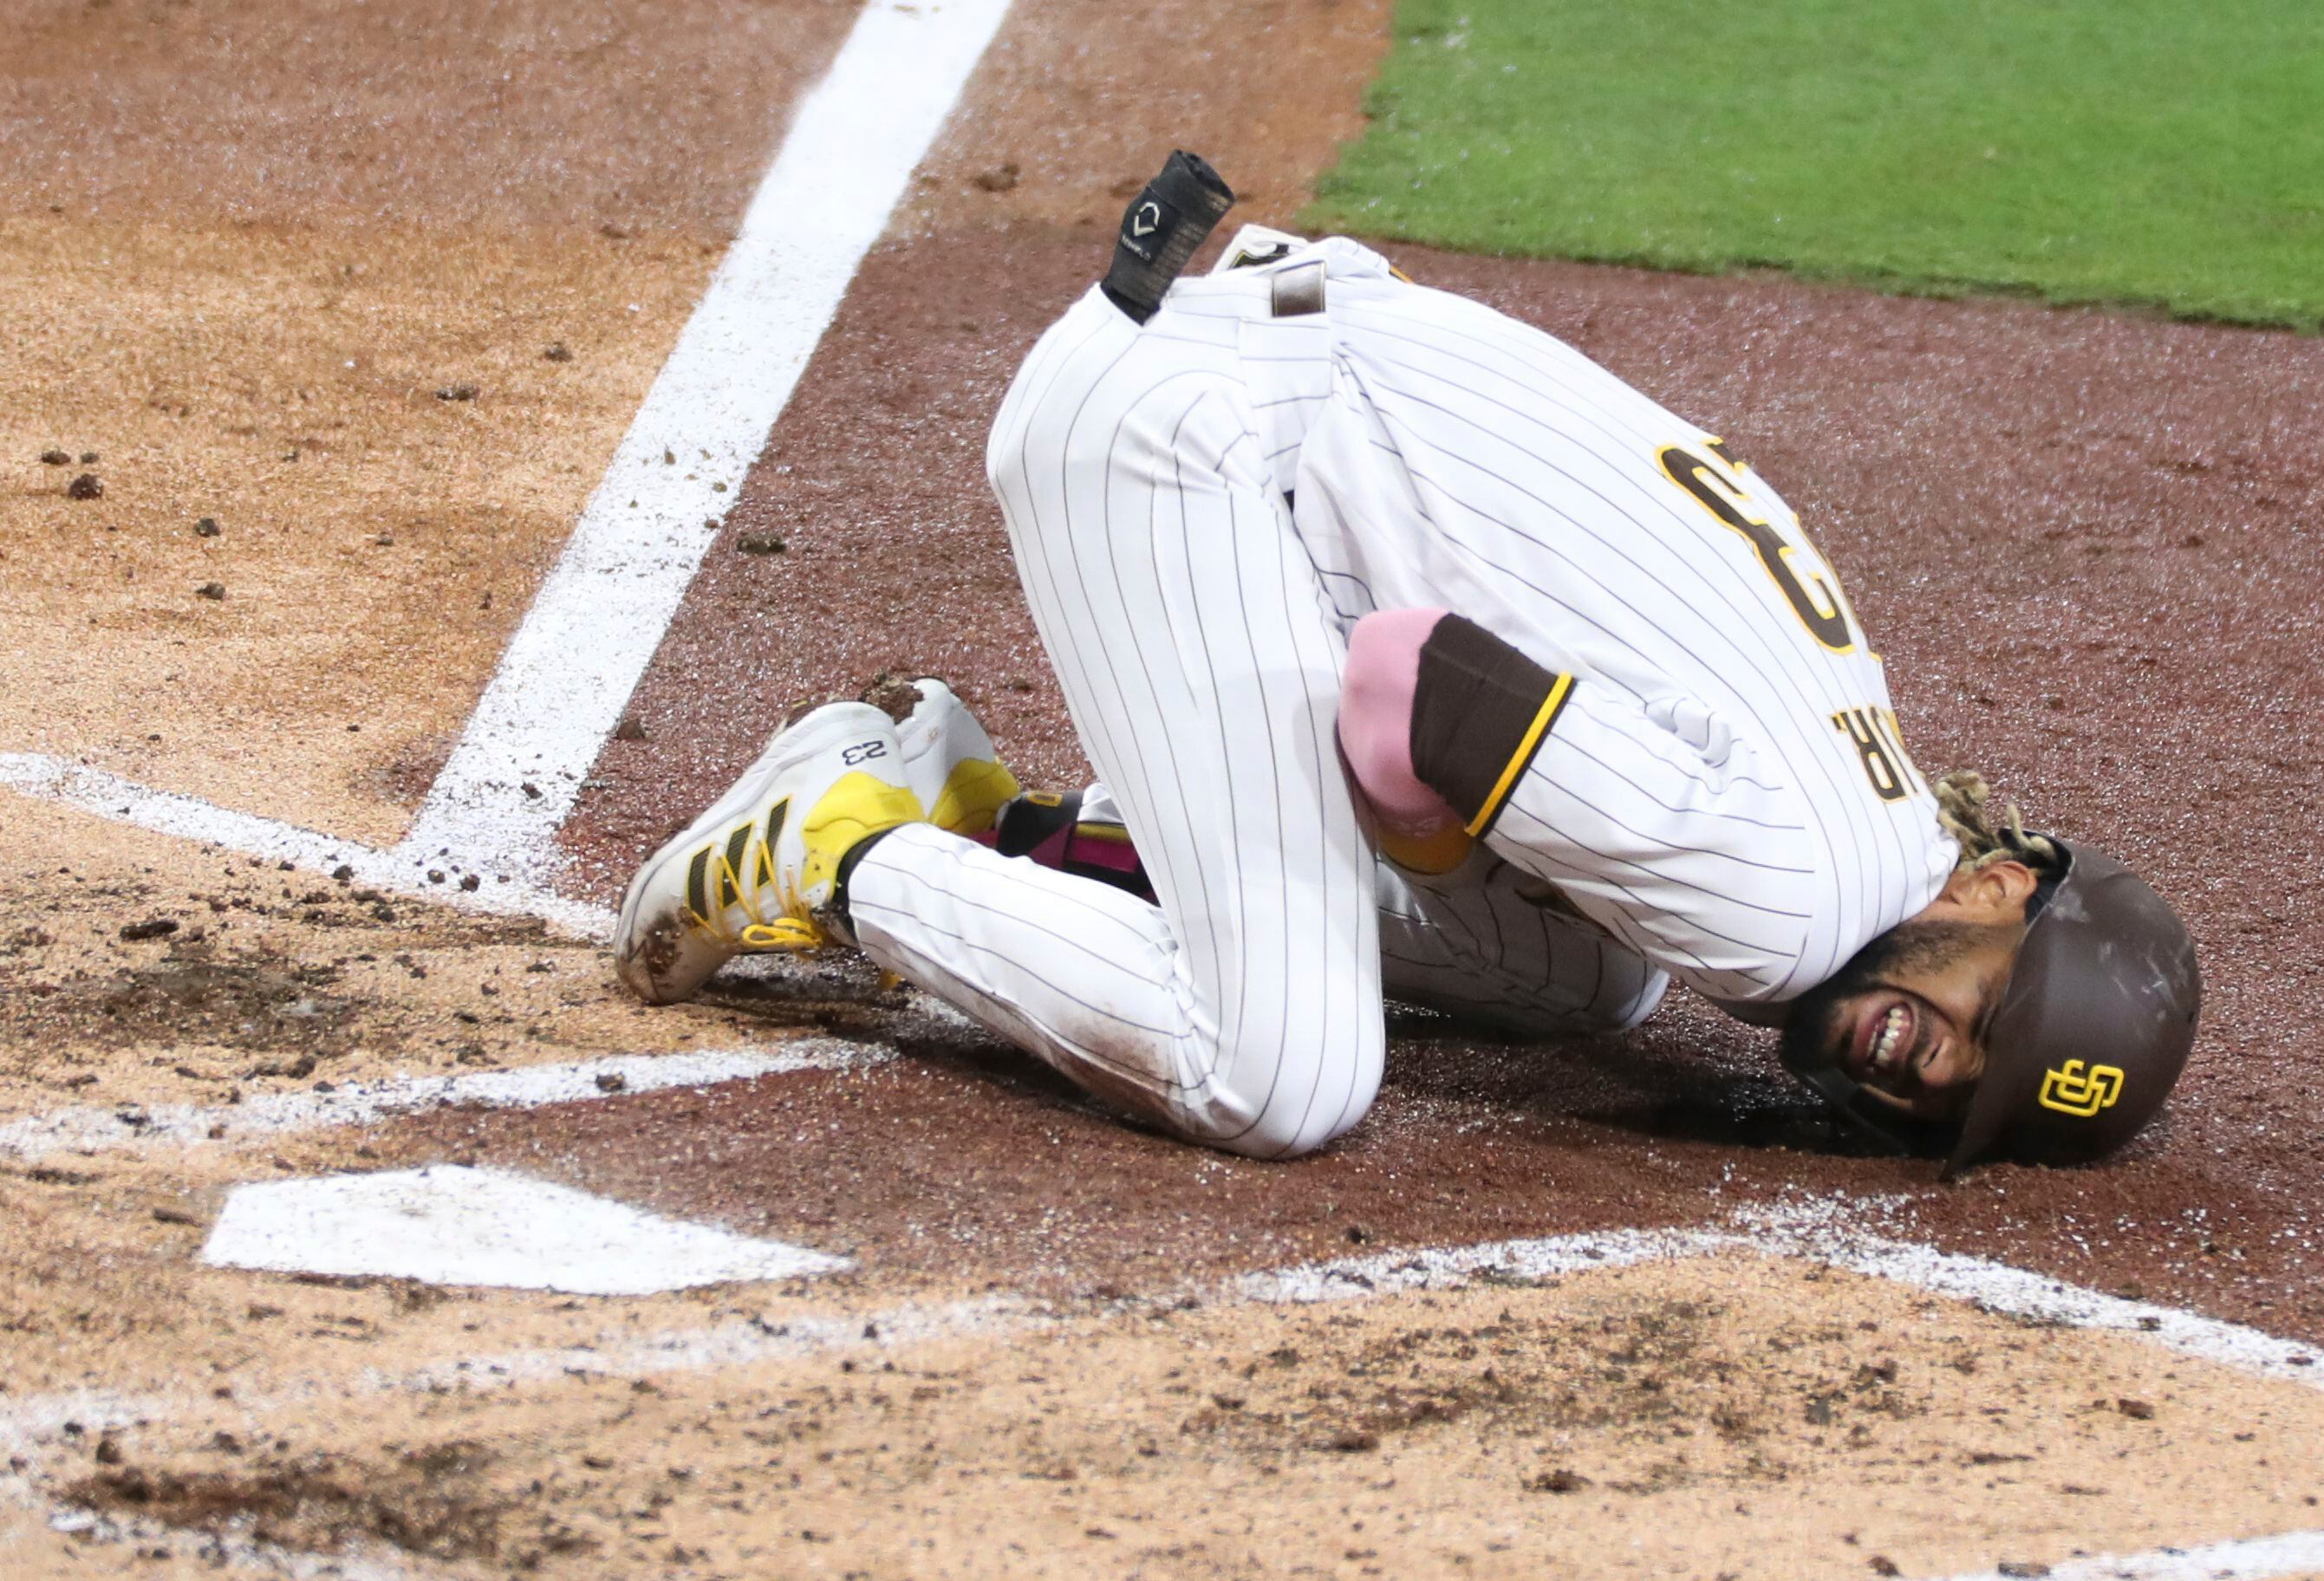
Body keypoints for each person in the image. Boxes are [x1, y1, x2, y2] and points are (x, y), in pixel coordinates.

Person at [613, 153, 2202, 1172]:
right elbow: (1409, 678)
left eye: (1964, 1099)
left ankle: (1007, 828)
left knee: (1594, 971)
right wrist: (1422, 837)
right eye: (1995, 1016)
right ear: (2005, 890)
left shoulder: (1873, 804)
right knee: (1277, 1076)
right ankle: (846, 849)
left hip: (1268, 372)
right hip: (1185, 443)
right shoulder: (1794, 913)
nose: (1930, 1067)